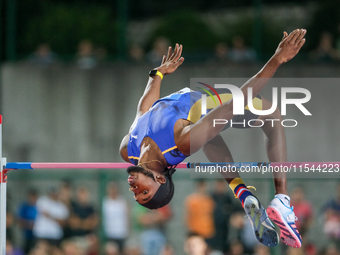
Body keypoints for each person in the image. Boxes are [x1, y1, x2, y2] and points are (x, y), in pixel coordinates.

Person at [120, 29, 307, 248]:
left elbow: (143, 110)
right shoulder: (180, 142)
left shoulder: (127, 149)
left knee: (207, 136)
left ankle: (242, 192)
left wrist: (157, 74)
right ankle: (282, 198)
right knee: (273, 117)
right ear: (160, 179)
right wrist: (277, 59)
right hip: (206, 104)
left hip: (196, 121)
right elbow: (234, 104)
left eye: (137, 195)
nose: (134, 190)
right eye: (144, 191)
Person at [16, 189, 38, 254]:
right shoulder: (24, 206)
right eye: (31, 197)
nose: (33, 199)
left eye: (34, 197)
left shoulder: (39, 206)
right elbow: (19, 221)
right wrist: (29, 225)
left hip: (38, 235)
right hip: (27, 235)